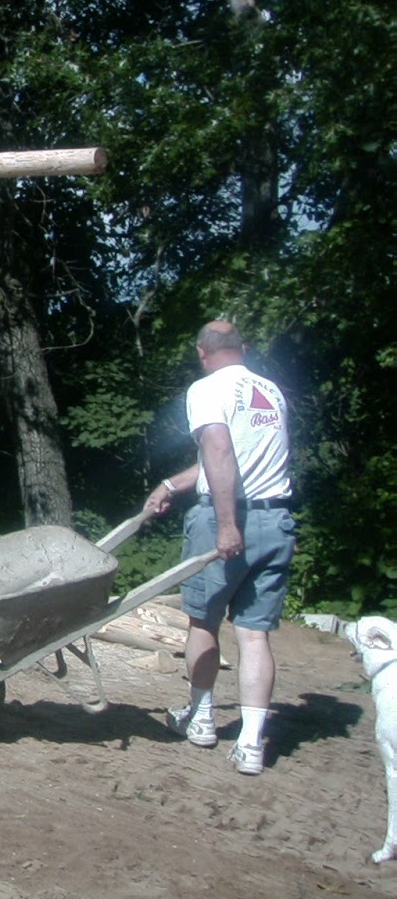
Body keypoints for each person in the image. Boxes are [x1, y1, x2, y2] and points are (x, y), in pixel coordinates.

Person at [142, 320, 295, 776]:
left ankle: (202, 717)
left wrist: (227, 525)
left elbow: (218, 448)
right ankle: (250, 743)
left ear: (202, 352)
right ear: (243, 349)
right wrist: (173, 483)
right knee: (253, 634)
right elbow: (228, 460)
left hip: (227, 519)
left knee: (203, 623)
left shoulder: (208, 388)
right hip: (277, 520)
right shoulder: (271, 392)